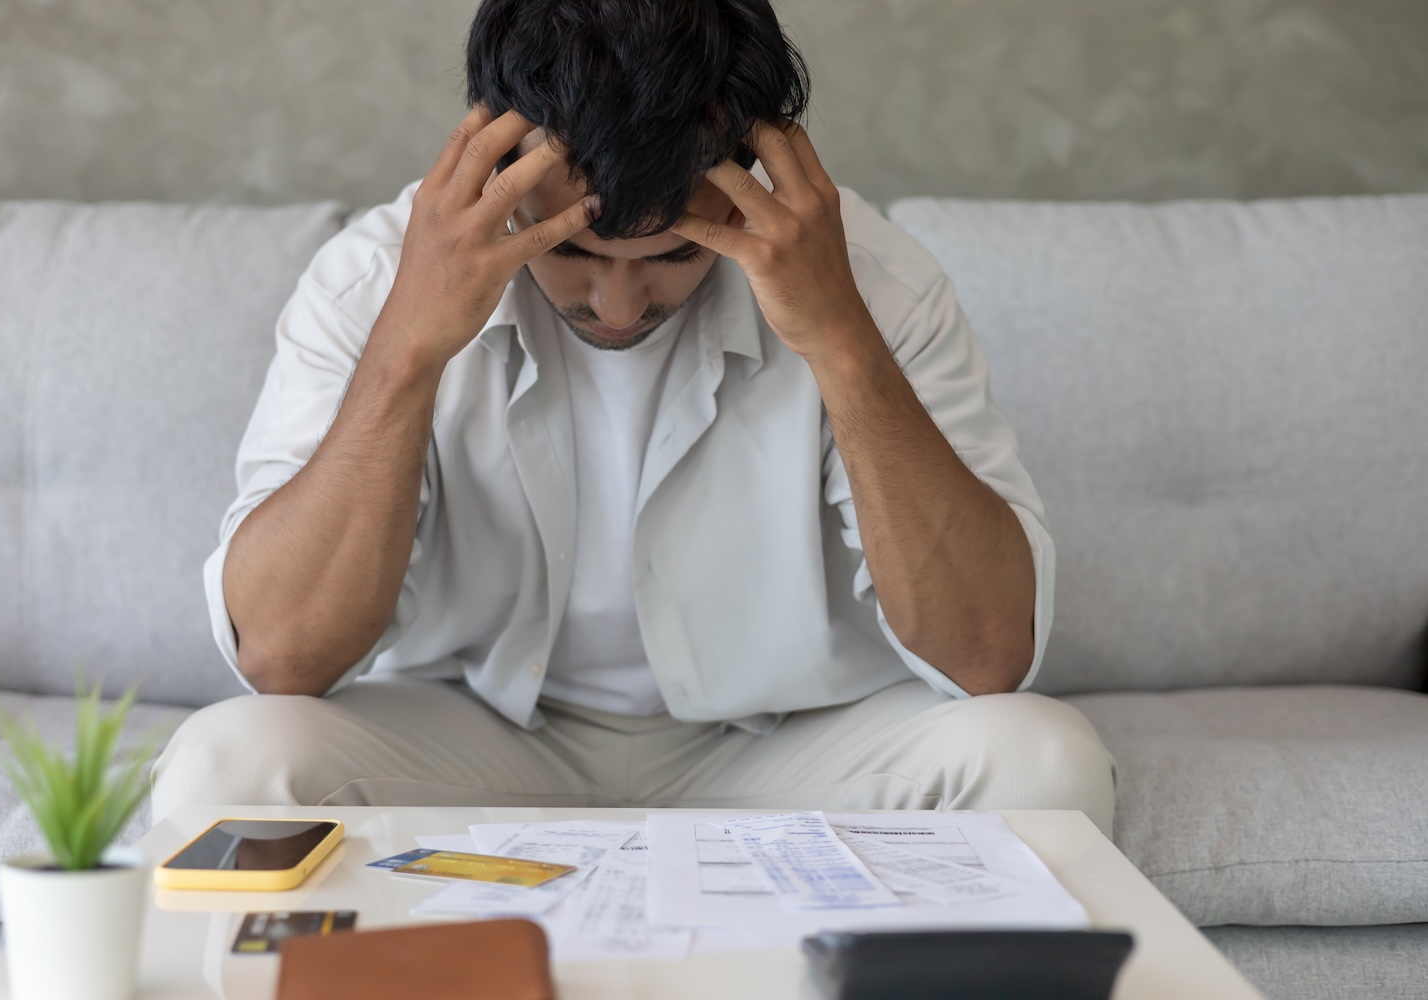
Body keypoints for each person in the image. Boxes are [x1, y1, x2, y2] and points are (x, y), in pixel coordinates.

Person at [153, 0, 1115, 836]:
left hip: (785, 751)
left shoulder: (875, 283)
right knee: (226, 765)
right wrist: (408, 348)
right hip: (479, 743)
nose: (617, 309)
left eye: (670, 257)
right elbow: (280, 654)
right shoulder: (373, 281)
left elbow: (990, 656)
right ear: (501, 154)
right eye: (574, 252)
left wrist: (842, 342)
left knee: (1041, 761)